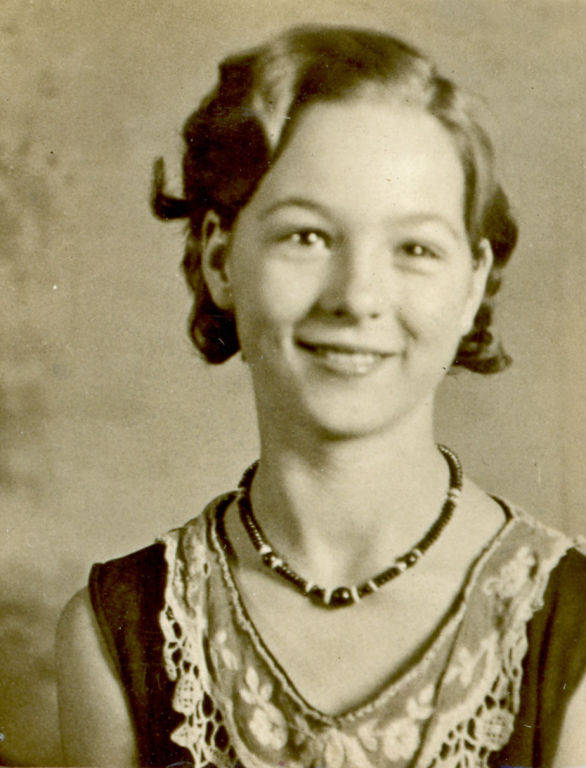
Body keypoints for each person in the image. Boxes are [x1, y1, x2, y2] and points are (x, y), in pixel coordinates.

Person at [56, 25, 586, 767]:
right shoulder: (118, 631)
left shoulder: (570, 630)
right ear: (219, 261)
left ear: (471, 285)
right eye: (307, 237)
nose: (357, 297)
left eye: (415, 248)